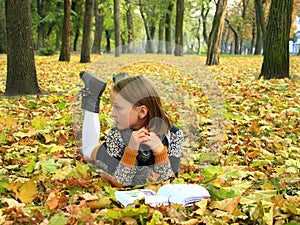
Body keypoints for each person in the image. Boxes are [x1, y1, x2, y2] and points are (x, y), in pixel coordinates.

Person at [79, 71, 184, 187]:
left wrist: (160, 151)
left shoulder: (174, 135)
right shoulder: (116, 135)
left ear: (142, 111)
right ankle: (94, 97)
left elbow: (170, 182)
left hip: (149, 123)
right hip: (109, 156)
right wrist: (131, 150)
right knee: (89, 151)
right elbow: (120, 183)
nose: (112, 114)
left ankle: (123, 86)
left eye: (118, 108)